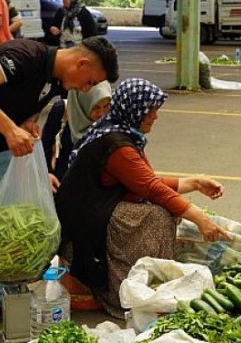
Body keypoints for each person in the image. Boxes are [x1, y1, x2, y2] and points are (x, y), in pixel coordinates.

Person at [0, 36, 118, 316]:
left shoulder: (58, 81)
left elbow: (32, 101)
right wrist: (10, 129)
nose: (86, 89)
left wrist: (28, 122)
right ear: (81, 63)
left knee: (7, 229)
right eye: (90, 81)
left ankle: (6, 300)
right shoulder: (24, 56)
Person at [54, 78, 231, 317]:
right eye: (151, 111)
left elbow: (144, 181)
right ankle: (128, 288)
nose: (155, 117)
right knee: (157, 216)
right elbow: (152, 188)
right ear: (135, 110)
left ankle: (150, 281)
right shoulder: (117, 145)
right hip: (84, 222)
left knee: (163, 210)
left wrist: (195, 183)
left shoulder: (121, 133)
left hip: (97, 209)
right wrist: (199, 217)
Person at [42, 81, 112, 181]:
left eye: (106, 106)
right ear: (83, 103)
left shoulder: (109, 122)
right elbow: (45, 144)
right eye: (95, 107)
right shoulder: (62, 110)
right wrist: (48, 173)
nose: (101, 114)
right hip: (60, 184)